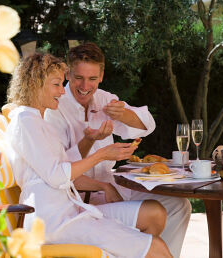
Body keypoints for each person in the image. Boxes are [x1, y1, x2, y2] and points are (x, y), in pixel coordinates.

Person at [6, 53, 172, 257]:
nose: (62, 91)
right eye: (57, 84)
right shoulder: (25, 121)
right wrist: (101, 155)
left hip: (70, 212)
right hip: (53, 223)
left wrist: (92, 142)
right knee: (156, 248)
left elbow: (65, 168)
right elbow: (58, 175)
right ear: (34, 84)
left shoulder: (37, 122)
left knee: (154, 223)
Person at [44, 43, 191, 258]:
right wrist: (90, 145)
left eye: (92, 79)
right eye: (78, 78)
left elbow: (147, 124)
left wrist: (123, 116)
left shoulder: (104, 99)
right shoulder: (55, 107)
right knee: (154, 213)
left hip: (113, 187)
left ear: (101, 76)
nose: (85, 86)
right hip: (79, 198)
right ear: (67, 73)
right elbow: (60, 171)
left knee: (179, 205)